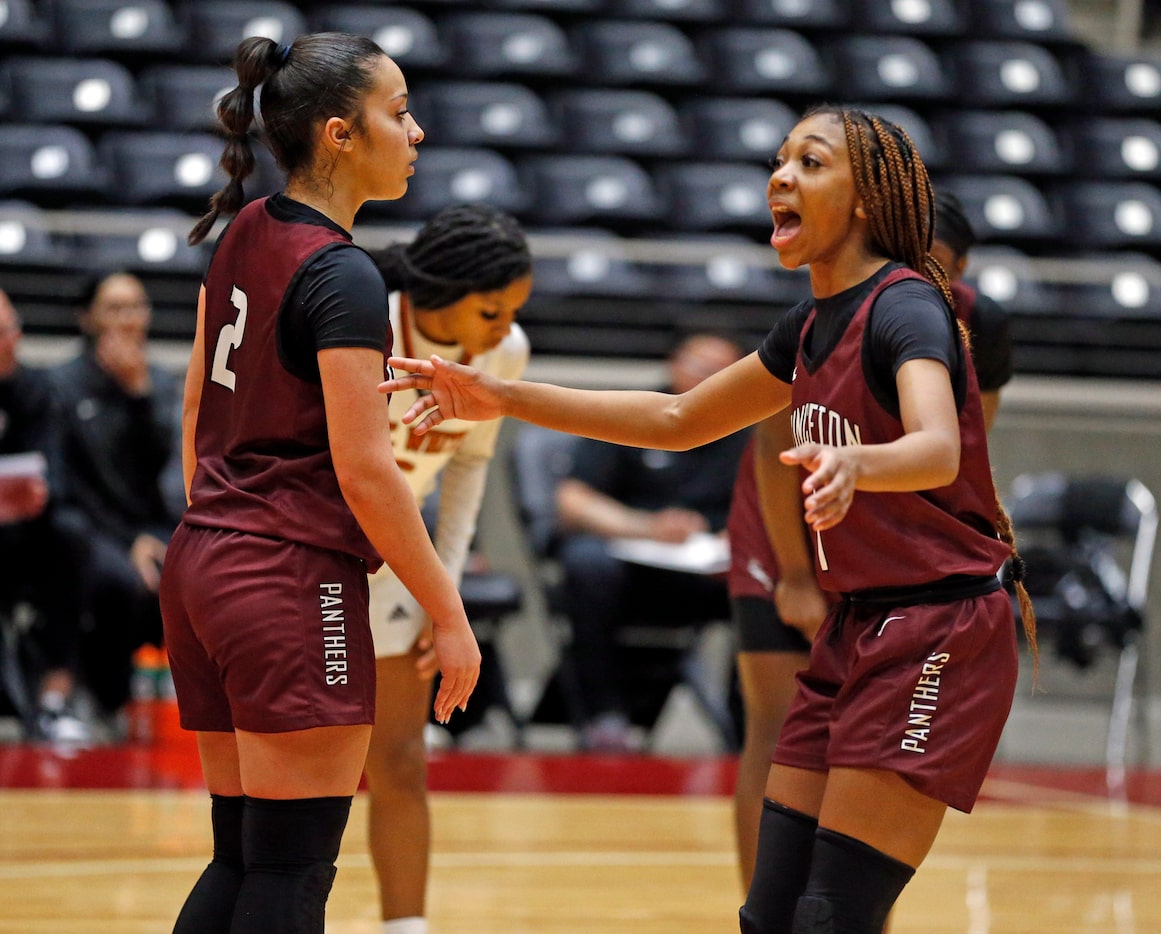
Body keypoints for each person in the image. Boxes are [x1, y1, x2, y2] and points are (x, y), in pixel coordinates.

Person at [380, 104, 1037, 933]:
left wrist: (855, 462)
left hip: (936, 627)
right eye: (778, 160)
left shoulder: (907, 307)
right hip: (856, 623)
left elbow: (937, 445)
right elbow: (675, 419)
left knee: (831, 915)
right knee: (769, 914)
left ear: (866, 199)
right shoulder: (805, 325)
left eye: (810, 162)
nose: (780, 176)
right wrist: (497, 395)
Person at [158, 33, 480, 934]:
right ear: (340, 134)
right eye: (399, 111)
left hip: (205, 563)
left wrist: (219, 543)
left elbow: (193, 410)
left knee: (244, 860)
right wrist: (447, 615)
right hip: (287, 579)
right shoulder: (343, 275)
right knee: (291, 875)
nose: (416, 131)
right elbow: (367, 470)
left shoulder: (244, 231)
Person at [727, 186, 1016, 892]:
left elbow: (960, 456)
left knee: (860, 805)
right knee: (774, 727)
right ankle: (764, 901)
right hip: (784, 521)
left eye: (941, 267)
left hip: (889, 555)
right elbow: (768, 445)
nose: (922, 280)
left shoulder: (969, 325)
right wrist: (795, 574)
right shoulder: (833, 314)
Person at [362, 202, 532, 934]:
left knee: (399, 758)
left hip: (400, 560)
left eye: (513, 313)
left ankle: (406, 926)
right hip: (314, 558)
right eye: (492, 311)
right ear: (441, 291)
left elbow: (468, 470)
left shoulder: (506, 353)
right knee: (300, 765)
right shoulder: (360, 326)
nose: (503, 331)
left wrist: (444, 588)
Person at [553, 330, 748, 751]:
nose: (709, 379)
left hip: (707, 572)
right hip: (630, 564)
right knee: (585, 562)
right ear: (674, 365)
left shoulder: (751, 432)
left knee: (765, 574)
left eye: (721, 372)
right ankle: (604, 715)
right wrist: (645, 527)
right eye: (700, 368)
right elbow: (573, 500)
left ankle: (748, 725)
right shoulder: (634, 412)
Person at [49, 270, 179, 725]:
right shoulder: (60, 387)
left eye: (136, 307)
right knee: (119, 582)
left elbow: (163, 474)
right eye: (115, 309)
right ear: (88, 318)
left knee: (207, 573)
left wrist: (138, 396)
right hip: (93, 528)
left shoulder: (161, 386)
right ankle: (107, 701)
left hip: (159, 526)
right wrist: (129, 541)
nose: (129, 320)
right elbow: (72, 487)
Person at [0, 289, 92, 742]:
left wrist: (33, 494)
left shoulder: (38, 391)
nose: (6, 340)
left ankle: (55, 698)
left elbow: (55, 474)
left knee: (72, 536)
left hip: (24, 531)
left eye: (8, 329)